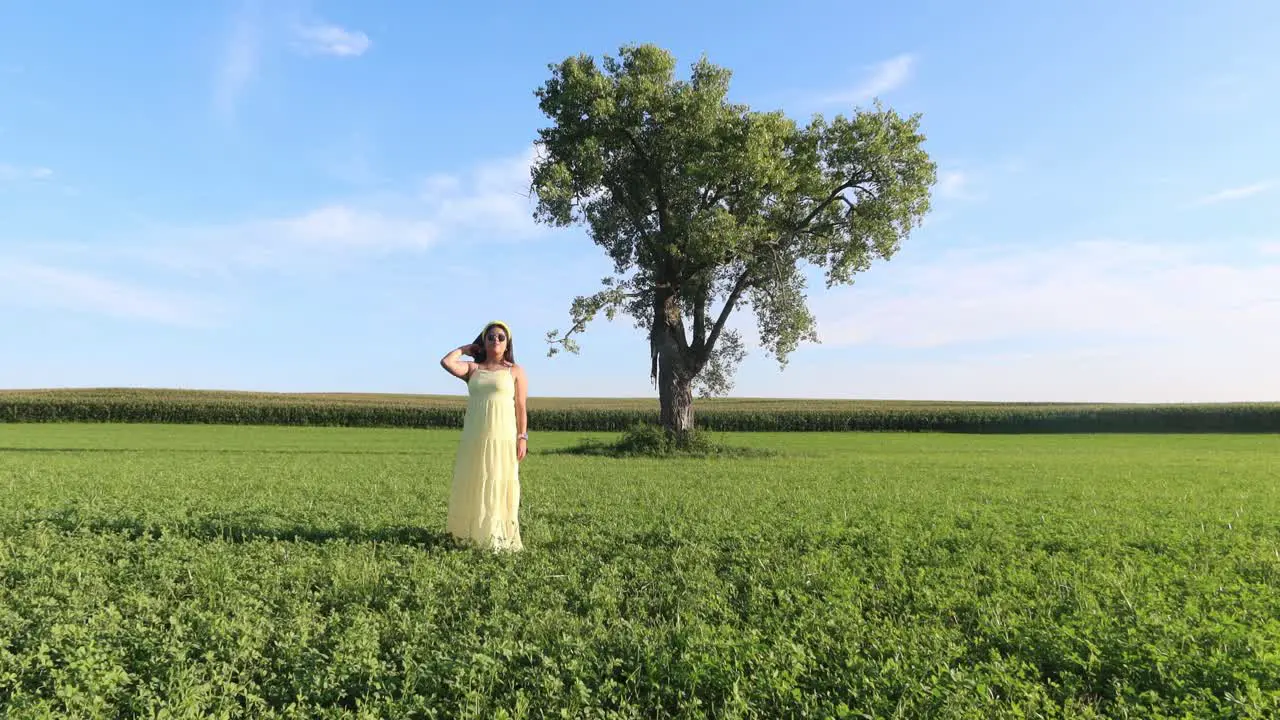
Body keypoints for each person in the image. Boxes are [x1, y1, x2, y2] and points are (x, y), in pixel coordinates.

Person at [439, 320, 528, 551]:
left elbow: (520, 407)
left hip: (503, 437)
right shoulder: (473, 369)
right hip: (475, 436)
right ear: (484, 341)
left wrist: (522, 437)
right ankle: (469, 535)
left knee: (498, 479)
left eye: (500, 337)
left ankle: (497, 536)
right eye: (490, 337)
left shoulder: (515, 371)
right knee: (475, 479)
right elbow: (447, 362)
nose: (495, 340)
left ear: (508, 343)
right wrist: (466, 349)